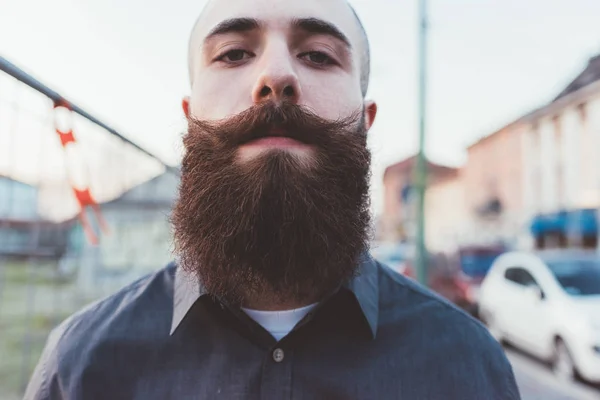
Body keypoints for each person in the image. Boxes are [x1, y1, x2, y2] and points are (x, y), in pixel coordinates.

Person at [25, 0, 521, 399]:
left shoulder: (467, 365)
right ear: (191, 113)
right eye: (234, 53)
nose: (277, 75)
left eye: (319, 55)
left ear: (364, 123)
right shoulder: (81, 366)